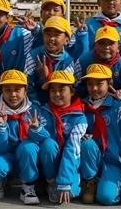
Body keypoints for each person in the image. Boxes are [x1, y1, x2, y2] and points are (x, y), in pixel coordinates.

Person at [79, 64, 121, 205]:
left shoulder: (118, 107)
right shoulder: (82, 106)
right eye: (90, 84)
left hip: (112, 160)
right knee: (87, 144)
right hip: (91, 157)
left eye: (99, 84)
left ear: (110, 83)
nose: (94, 88)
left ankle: (108, 184)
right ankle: (90, 181)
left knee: (107, 198)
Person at [0, 70, 44, 204]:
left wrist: (36, 128)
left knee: (29, 147)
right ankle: (0, 180)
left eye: (17, 89)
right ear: (1, 91)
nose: (13, 95)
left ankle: (28, 185)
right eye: (7, 90)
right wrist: (1, 126)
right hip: (6, 156)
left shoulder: (34, 110)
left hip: (28, 159)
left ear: (25, 91)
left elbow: (44, 139)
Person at [33, 70, 87, 204]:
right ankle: (50, 181)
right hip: (49, 164)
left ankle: (75, 178)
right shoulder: (44, 112)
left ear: (72, 92)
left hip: (69, 163)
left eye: (62, 90)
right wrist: (35, 129)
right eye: (53, 90)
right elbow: (38, 141)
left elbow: (72, 149)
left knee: (71, 193)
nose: (56, 94)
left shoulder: (80, 118)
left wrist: (64, 182)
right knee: (48, 144)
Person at [74, 27, 121, 99]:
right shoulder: (83, 61)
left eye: (111, 43)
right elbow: (75, 89)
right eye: (102, 43)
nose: (106, 47)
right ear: (95, 45)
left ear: (118, 47)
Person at [29, 16, 76, 105]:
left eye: (57, 35)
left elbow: (63, 89)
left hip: (57, 105)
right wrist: (36, 105)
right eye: (48, 34)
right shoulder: (33, 55)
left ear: (66, 40)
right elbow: (28, 86)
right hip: (34, 104)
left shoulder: (68, 61)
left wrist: (45, 78)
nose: (51, 38)